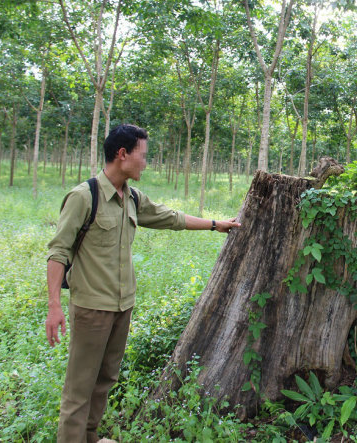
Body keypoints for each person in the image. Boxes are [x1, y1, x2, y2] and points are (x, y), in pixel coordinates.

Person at [45, 124, 241, 443]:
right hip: (91, 308)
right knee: (79, 389)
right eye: (143, 156)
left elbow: (171, 217)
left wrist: (216, 225)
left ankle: (90, 437)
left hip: (122, 307)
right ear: (122, 155)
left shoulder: (132, 198)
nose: (146, 164)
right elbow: (58, 250)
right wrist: (54, 306)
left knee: (105, 380)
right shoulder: (84, 197)